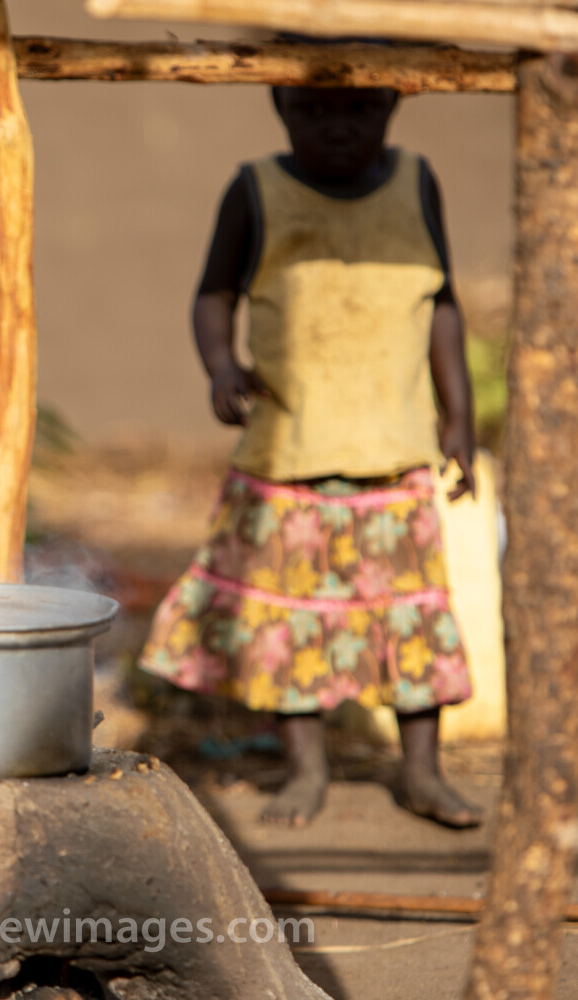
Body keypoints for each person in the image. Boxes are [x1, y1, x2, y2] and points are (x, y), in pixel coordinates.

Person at [140, 85, 483, 829]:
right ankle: (307, 770)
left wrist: (459, 416)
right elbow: (213, 295)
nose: (338, 127)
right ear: (280, 106)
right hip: (290, 455)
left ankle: (423, 772)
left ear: (392, 107)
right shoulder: (255, 190)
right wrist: (221, 367)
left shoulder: (417, 183)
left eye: (358, 109)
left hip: (395, 455)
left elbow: (443, 306)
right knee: (294, 627)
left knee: (412, 621)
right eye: (317, 110)